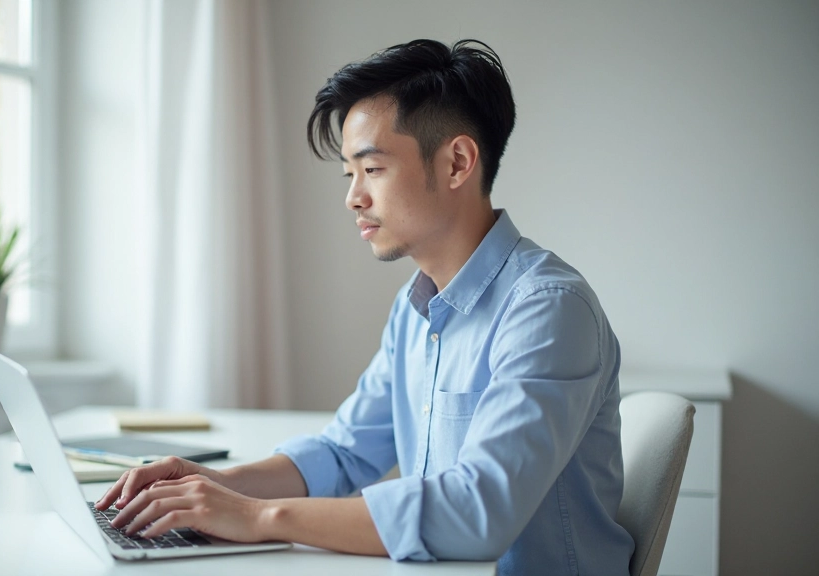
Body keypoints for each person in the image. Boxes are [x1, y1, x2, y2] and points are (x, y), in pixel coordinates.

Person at [95, 38, 635, 574]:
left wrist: (260, 516)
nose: (353, 197)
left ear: (457, 162)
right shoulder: (415, 307)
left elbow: (477, 514)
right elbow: (344, 453)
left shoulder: (547, 310)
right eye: (349, 174)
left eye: (372, 169)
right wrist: (210, 486)